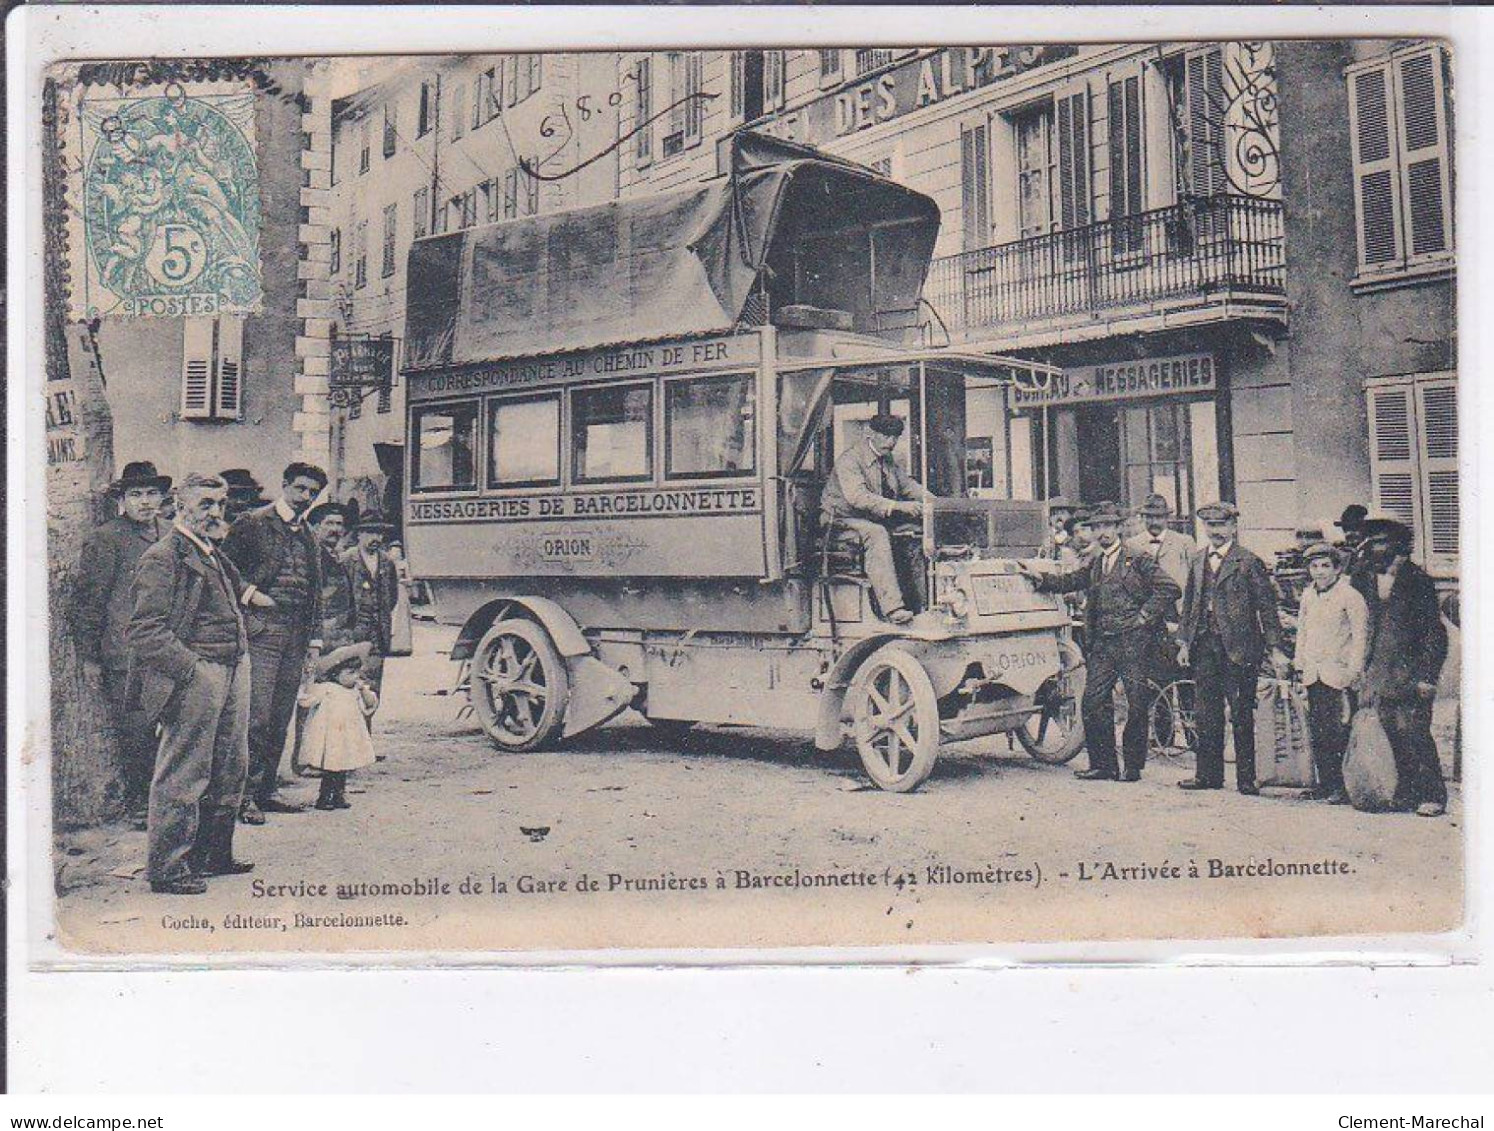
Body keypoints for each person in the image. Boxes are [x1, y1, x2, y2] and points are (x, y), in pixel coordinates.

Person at [126, 474, 253, 895]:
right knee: (185, 771)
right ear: (180, 506)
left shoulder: (211, 551)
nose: (215, 512)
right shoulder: (164, 557)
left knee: (230, 765)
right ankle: (167, 868)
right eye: (205, 504)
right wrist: (192, 669)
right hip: (199, 673)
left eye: (220, 503)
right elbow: (145, 631)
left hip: (233, 667)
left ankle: (214, 855)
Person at [1018, 501, 1180, 782]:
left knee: (1136, 705)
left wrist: (1144, 616)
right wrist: (1041, 578)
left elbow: (1170, 589)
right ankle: (1103, 765)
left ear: (1118, 528)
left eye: (1107, 526)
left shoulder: (1137, 558)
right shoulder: (1095, 562)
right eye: (1097, 527)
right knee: (1093, 703)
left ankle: (1132, 766)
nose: (1102, 532)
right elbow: (1072, 580)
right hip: (1103, 643)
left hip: (1133, 642)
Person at [221, 462, 327, 824]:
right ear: (284, 485)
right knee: (257, 716)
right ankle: (242, 796)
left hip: (295, 636)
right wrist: (251, 595)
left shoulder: (309, 534)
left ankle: (266, 790)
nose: (306, 497)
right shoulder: (252, 523)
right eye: (300, 489)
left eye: (313, 493)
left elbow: (315, 591)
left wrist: (314, 638)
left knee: (280, 716)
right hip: (262, 633)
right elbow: (224, 570)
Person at [73, 460, 170, 825]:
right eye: (136, 494)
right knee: (137, 732)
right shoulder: (107, 538)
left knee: (172, 726)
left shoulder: (172, 534)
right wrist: (89, 657)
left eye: (151, 494)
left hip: (169, 648)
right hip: (125, 653)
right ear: (122, 500)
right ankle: (139, 803)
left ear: (162, 497)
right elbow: (89, 601)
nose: (145, 502)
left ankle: (166, 800)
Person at [1177, 502, 1290, 795]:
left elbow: (1267, 608)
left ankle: (1246, 778)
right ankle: (1208, 775)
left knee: (1241, 713)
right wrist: (1184, 642)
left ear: (1233, 527)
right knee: (1206, 713)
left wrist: (1275, 648)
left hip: (1240, 649)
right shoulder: (1197, 559)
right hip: (1204, 646)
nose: (1215, 531)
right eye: (1210, 525)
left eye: (1221, 525)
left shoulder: (1248, 561)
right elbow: (1190, 604)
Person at [1358, 517, 1449, 817]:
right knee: (1388, 733)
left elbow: (1435, 633)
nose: (1374, 548)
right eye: (1371, 542)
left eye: (1381, 541)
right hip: (1379, 673)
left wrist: (1427, 676)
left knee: (1415, 733)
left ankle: (1432, 795)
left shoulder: (1417, 580)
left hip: (1411, 673)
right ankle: (1404, 793)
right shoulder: (1365, 578)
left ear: (1398, 544)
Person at [819, 414, 930, 625]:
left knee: (914, 533)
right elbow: (857, 498)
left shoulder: (887, 460)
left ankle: (921, 605)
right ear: (871, 433)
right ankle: (893, 608)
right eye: (886, 435)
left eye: (895, 436)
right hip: (840, 522)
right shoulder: (849, 460)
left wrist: (933, 500)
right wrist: (898, 506)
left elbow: (907, 486)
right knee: (876, 534)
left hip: (869, 520)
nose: (892, 441)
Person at [1293, 542, 1369, 803]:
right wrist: (1299, 664)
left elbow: (1360, 637)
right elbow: (1302, 632)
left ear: (1337, 568)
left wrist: (1354, 670)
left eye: (1325, 566)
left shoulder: (1350, 596)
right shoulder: (1308, 595)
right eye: (1314, 566)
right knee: (1320, 731)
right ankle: (1324, 783)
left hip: (1338, 673)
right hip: (1314, 673)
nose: (1320, 572)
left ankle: (1343, 786)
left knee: (1339, 731)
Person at [298, 642, 379, 811]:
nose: (355, 677)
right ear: (336, 674)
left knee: (343, 766)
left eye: (357, 672)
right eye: (350, 673)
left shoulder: (355, 691)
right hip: (331, 735)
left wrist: (364, 690)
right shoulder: (327, 689)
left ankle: (339, 794)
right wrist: (308, 683)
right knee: (331, 767)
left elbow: (370, 705)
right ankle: (325, 796)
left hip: (348, 735)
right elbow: (305, 700)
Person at [342, 511, 401, 706]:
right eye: (370, 532)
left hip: (378, 637)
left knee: (372, 692)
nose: (376, 538)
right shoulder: (346, 561)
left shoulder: (387, 562)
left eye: (379, 533)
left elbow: (391, 598)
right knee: (348, 688)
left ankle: (366, 735)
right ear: (359, 534)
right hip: (351, 636)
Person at [308, 502, 357, 652]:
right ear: (316, 527)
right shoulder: (311, 556)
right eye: (329, 523)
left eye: (339, 524)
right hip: (321, 631)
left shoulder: (337, 557)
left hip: (340, 632)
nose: (335, 529)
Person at [1125, 494, 1194, 591]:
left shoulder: (1185, 542)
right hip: (1146, 604)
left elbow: (1195, 577)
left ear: (1167, 517)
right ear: (1142, 518)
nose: (1154, 522)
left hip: (1177, 602)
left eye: (1159, 517)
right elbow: (1127, 572)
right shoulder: (1131, 544)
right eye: (1149, 517)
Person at [387, 540, 415, 657]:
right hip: (389, 591)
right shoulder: (386, 564)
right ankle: (389, 646)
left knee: (401, 617)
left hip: (401, 591)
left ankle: (403, 646)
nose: (396, 553)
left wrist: (401, 581)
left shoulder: (403, 564)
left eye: (398, 551)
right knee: (390, 616)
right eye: (394, 551)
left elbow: (410, 580)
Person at [1041, 496, 1077, 562]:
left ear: (1071, 516)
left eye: (1062, 513)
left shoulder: (1075, 535)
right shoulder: (1049, 538)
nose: (1058, 517)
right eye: (1054, 514)